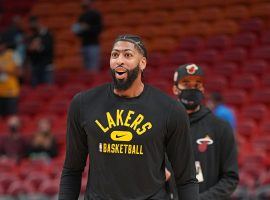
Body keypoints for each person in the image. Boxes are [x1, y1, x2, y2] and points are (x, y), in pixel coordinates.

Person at [59, 34, 198, 200]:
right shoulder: (83, 103)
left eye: (128, 55)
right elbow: (72, 170)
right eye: (115, 55)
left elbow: (186, 179)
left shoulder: (170, 109)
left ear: (142, 63)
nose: (119, 60)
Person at [171, 63, 239, 199]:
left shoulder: (220, 127)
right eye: (186, 84)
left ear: (203, 89)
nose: (192, 89)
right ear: (175, 89)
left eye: (197, 85)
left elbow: (230, 178)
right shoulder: (162, 125)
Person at [72, 0, 103, 71]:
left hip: (94, 44)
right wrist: (79, 29)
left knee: (93, 68)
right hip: (84, 44)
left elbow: (99, 29)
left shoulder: (96, 15)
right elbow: (78, 32)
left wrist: (88, 27)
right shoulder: (82, 16)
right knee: (86, 68)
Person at [26, 16, 54, 87]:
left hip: (46, 66)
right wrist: (31, 48)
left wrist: (38, 47)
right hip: (35, 66)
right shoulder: (32, 36)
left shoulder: (48, 35)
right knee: (35, 90)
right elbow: (29, 50)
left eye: (33, 24)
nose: (32, 27)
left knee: (47, 89)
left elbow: (48, 48)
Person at [0, 37, 21, 117]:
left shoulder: (13, 54)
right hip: (0, 92)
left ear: (4, 45)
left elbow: (19, 72)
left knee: (11, 117)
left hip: (11, 91)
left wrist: (4, 70)